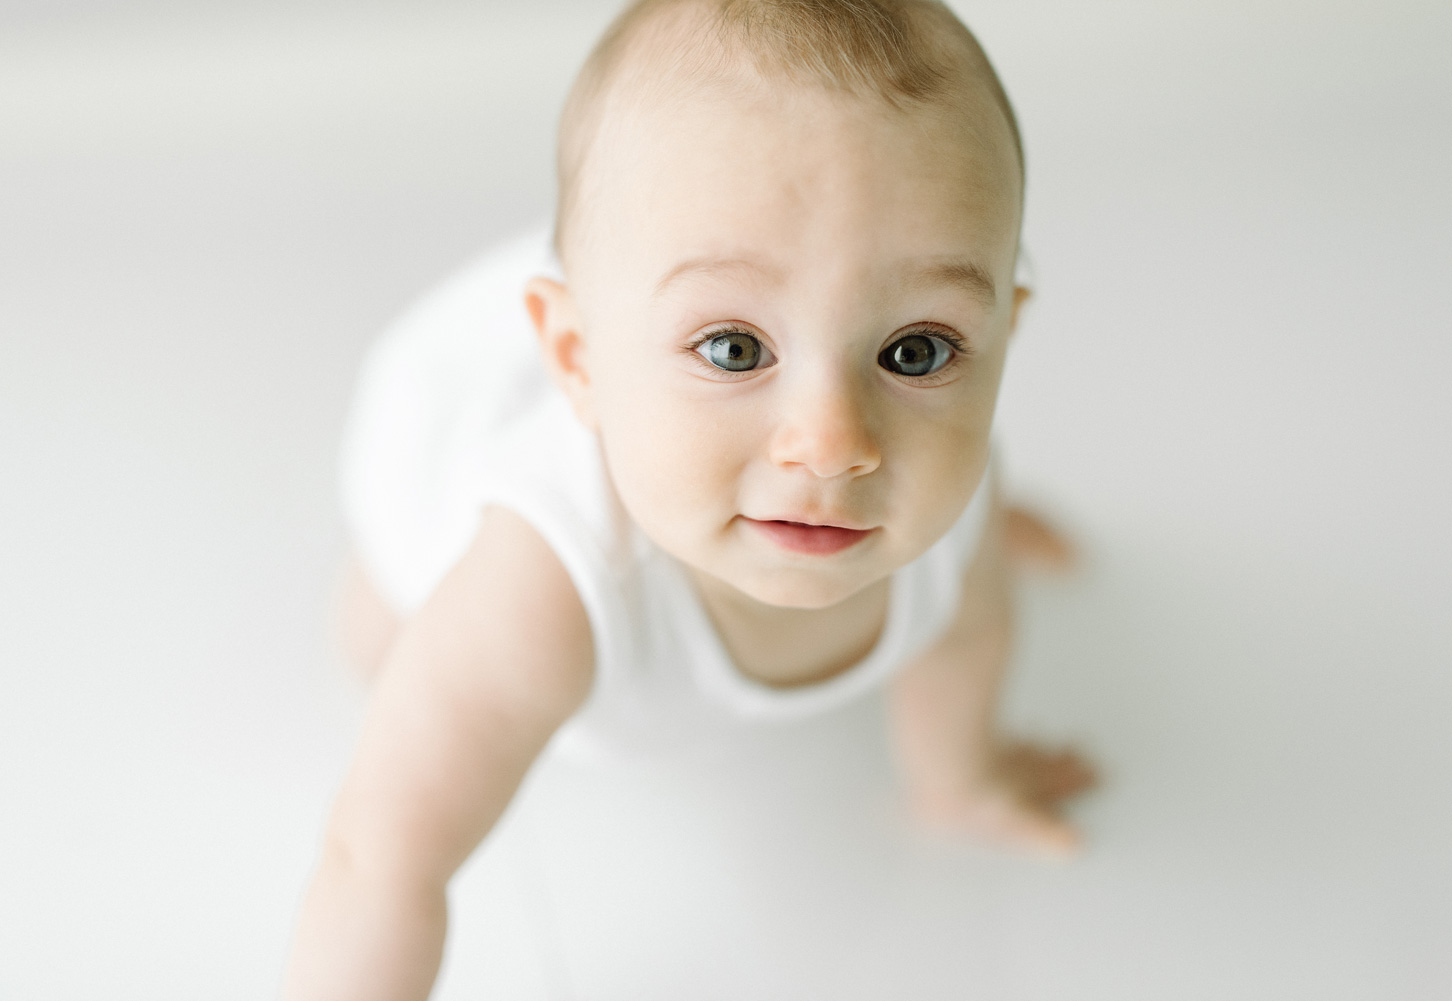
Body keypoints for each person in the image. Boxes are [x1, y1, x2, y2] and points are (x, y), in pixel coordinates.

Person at [283, 1, 1096, 996]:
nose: (833, 446)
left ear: (1003, 340)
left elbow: (964, 638)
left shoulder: (944, 503)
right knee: (386, 639)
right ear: (579, 358)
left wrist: (958, 778)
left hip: (647, 330)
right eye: (736, 349)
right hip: (459, 426)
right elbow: (381, 858)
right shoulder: (544, 582)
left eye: (914, 351)